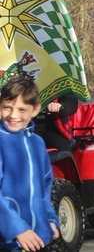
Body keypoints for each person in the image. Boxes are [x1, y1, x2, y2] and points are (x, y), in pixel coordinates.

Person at [0, 76, 60, 251]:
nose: (13, 115)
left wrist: (49, 219)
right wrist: (17, 228)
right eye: (7, 108)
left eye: (22, 109)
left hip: (35, 239)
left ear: (35, 110)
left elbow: (45, 187)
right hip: (7, 241)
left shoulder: (37, 143)